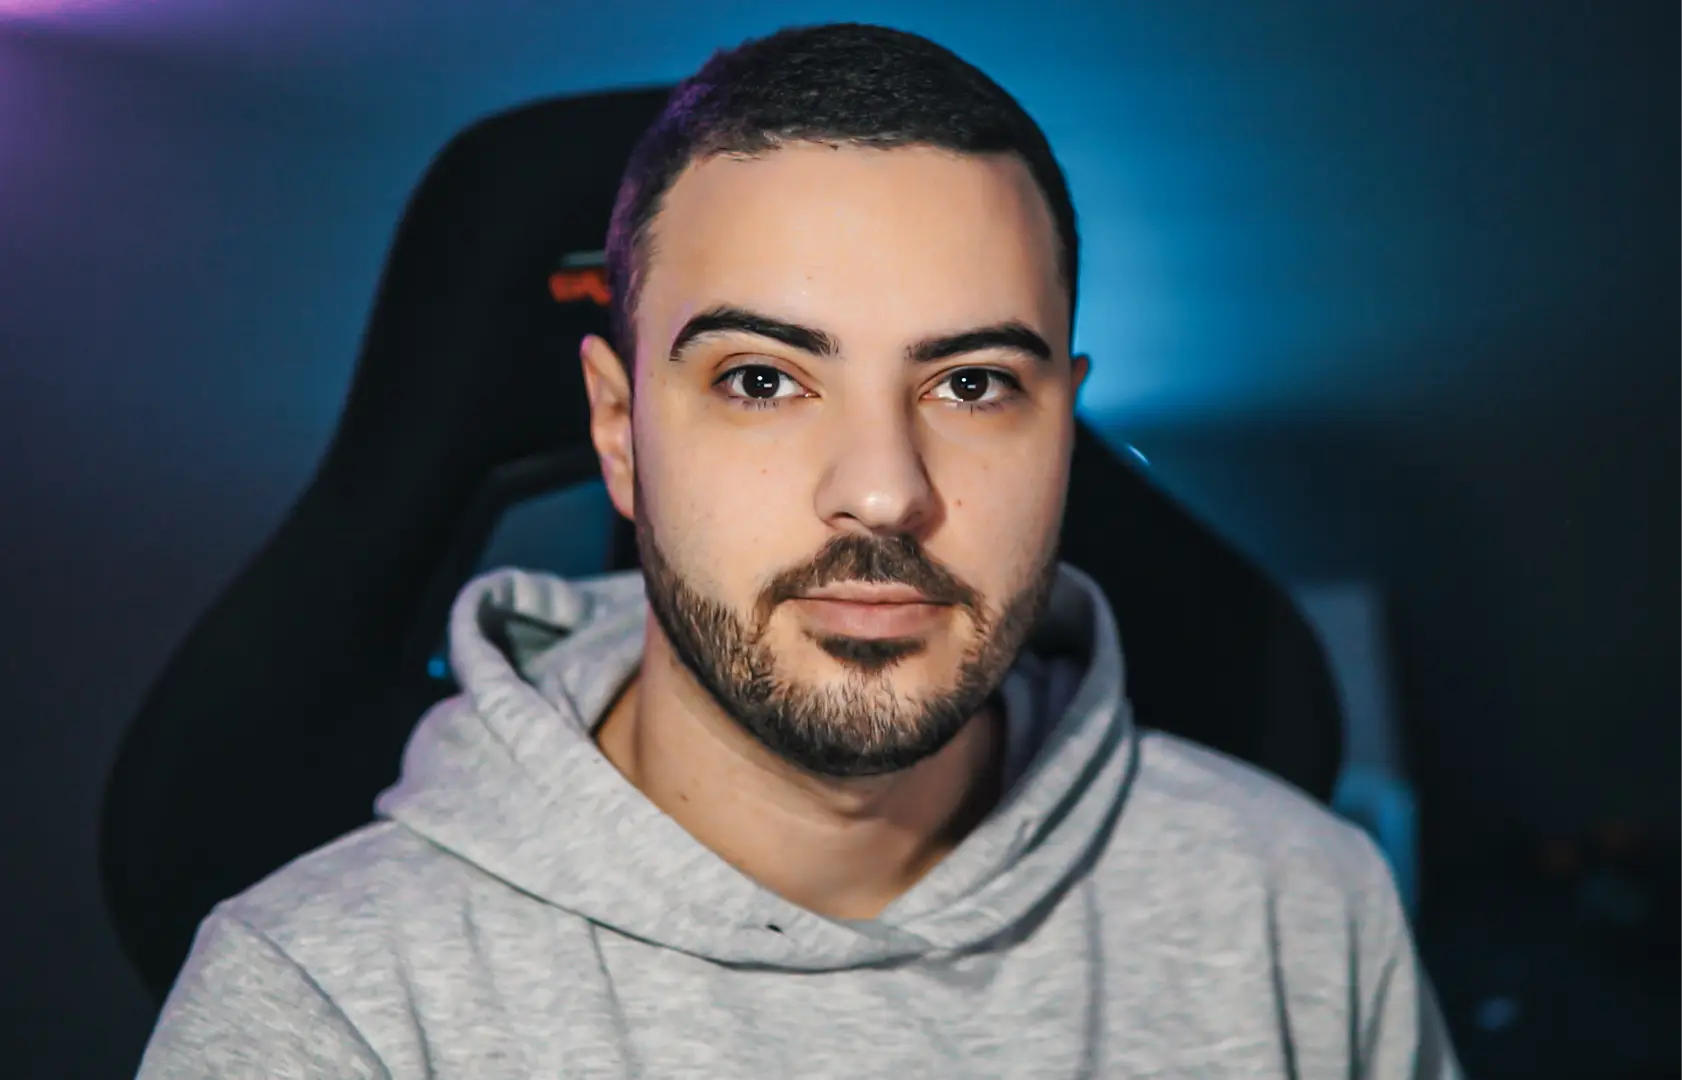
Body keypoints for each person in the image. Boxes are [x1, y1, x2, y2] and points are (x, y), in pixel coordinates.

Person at [137, 22, 1459, 1079]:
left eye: (973, 384)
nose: (881, 493)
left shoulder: (1303, 914)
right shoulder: (325, 1007)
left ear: (1062, 426)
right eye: (763, 381)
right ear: (618, 430)